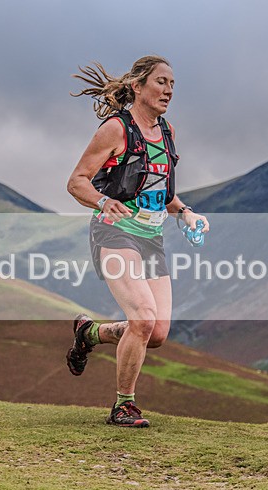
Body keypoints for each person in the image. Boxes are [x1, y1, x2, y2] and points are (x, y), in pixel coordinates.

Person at [66, 55, 209, 428]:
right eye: (161, 82)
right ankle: (123, 406)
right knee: (143, 318)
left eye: (172, 84)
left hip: (151, 238)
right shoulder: (116, 129)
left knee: (156, 332)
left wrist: (186, 213)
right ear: (137, 86)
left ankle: (90, 333)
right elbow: (77, 182)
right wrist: (103, 202)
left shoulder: (167, 132)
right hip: (114, 232)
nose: (168, 90)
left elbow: (161, 193)